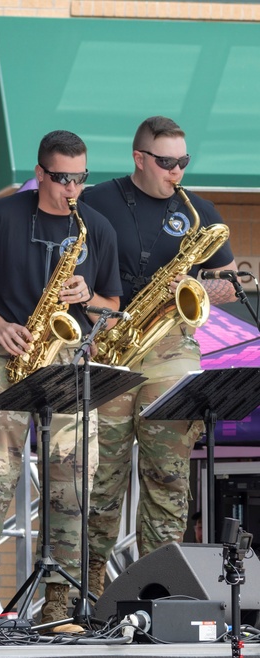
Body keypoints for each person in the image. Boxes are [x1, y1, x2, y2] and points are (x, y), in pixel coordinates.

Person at [0, 130, 122, 631]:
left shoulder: (97, 228)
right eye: (63, 178)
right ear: (41, 173)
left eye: (81, 178)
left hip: (68, 357)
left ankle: (59, 606)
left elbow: (111, 307)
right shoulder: (3, 215)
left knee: (71, 485)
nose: (73, 188)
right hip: (8, 352)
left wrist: (88, 297)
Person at [81, 116, 237, 596]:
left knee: (168, 479)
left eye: (183, 162)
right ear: (140, 159)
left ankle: (159, 594)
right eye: (167, 162)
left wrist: (195, 286)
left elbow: (233, 283)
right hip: (111, 339)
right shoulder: (95, 201)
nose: (177, 173)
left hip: (170, 345)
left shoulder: (199, 211)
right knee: (98, 480)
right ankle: (80, 601)